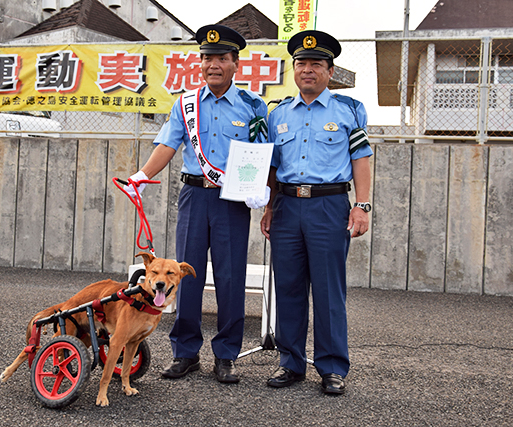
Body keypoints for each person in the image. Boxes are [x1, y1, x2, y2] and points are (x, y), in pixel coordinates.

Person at [124, 24, 268, 384]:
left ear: (236, 63)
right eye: (206, 58)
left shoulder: (253, 106)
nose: (212, 64)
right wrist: (142, 175)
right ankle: (185, 352)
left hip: (231, 200)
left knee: (230, 276)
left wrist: (263, 189)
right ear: (199, 63)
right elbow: (168, 145)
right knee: (182, 275)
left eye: (221, 58)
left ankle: (226, 355)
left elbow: (262, 153)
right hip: (193, 196)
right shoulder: (185, 104)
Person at [259, 30, 373, 395]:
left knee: (328, 291)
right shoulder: (278, 114)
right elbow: (273, 166)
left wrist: (363, 205)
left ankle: (332, 367)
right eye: (301, 63)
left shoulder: (348, 111)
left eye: (316, 64)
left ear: (330, 70)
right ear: (294, 69)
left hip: (329, 206)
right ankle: (290, 363)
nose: (308, 70)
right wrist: (269, 207)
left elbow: (362, 159)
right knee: (288, 288)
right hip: (287, 205)